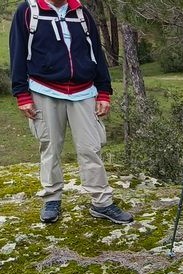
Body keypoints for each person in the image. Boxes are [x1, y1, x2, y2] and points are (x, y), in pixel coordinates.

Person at [10, 0, 133, 225]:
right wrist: (22, 94)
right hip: (44, 90)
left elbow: (96, 53)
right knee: (50, 147)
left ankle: (102, 202)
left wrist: (104, 91)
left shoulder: (81, 12)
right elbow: (17, 52)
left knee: (90, 148)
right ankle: (52, 198)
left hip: (84, 91)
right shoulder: (28, 11)